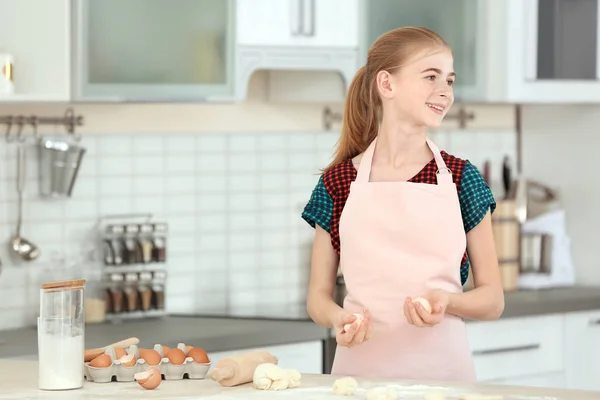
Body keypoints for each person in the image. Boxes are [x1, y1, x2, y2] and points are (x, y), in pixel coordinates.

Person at [301, 27, 504, 382]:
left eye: (450, 80)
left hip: (444, 379)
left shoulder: (461, 178)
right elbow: (318, 297)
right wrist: (338, 319)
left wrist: (447, 301)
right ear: (387, 84)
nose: (445, 91)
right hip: (358, 379)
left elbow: (492, 299)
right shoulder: (338, 182)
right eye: (430, 77)